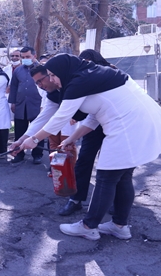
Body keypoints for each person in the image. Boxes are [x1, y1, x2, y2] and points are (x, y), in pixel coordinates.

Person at [17, 53, 161, 241]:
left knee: (106, 177)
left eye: (52, 75)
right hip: (133, 125)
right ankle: (119, 225)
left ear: (62, 70)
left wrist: (34, 139)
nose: (53, 80)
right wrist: (71, 138)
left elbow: (61, 117)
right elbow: (93, 117)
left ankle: (89, 226)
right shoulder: (91, 77)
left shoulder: (79, 82)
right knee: (122, 177)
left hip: (126, 128)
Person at [58, 50, 115, 216]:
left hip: (114, 126)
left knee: (113, 165)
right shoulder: (86, 78)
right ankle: (76, 200)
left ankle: (115, 201)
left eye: (86, 62)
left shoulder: (112, 74)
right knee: (84, 161)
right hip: (93, 125)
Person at [8, 46, 44, 164]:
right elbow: (13, 87)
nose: (25, 59)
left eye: (27, 57)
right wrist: (13, 102)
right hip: (21, 105)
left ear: (34, 55)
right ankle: (19, 154)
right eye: (23, 57)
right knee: (20, 130)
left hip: (37, 104)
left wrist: (44, 105)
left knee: (38, 130)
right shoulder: (18, 70)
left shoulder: (42, 69)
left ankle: (37, 154)